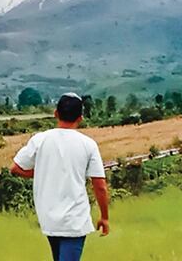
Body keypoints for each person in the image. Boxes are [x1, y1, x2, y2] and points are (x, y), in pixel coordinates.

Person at [11, 93, 110, 261]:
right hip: (74, 220)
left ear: (56, 113)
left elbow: (15, 168)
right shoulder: (88, 144)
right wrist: (104, 217)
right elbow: (99, 185)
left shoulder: (40, 139)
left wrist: (42, 172)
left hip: (49, 219)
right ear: (80, 117)